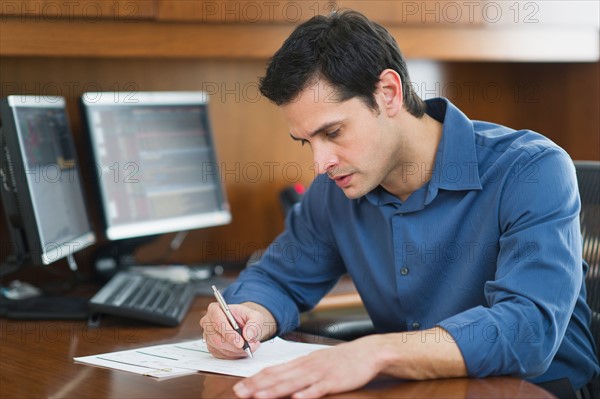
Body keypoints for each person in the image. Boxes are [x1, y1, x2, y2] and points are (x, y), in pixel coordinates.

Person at [200, 9, 599, 399]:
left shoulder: (530, 169)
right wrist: (250, 315)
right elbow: (278, 279)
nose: (320, 164)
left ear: (388, 93)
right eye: (307, 142)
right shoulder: (336, 189)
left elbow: (526, 329)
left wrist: (376, 351)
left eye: (333, 132)